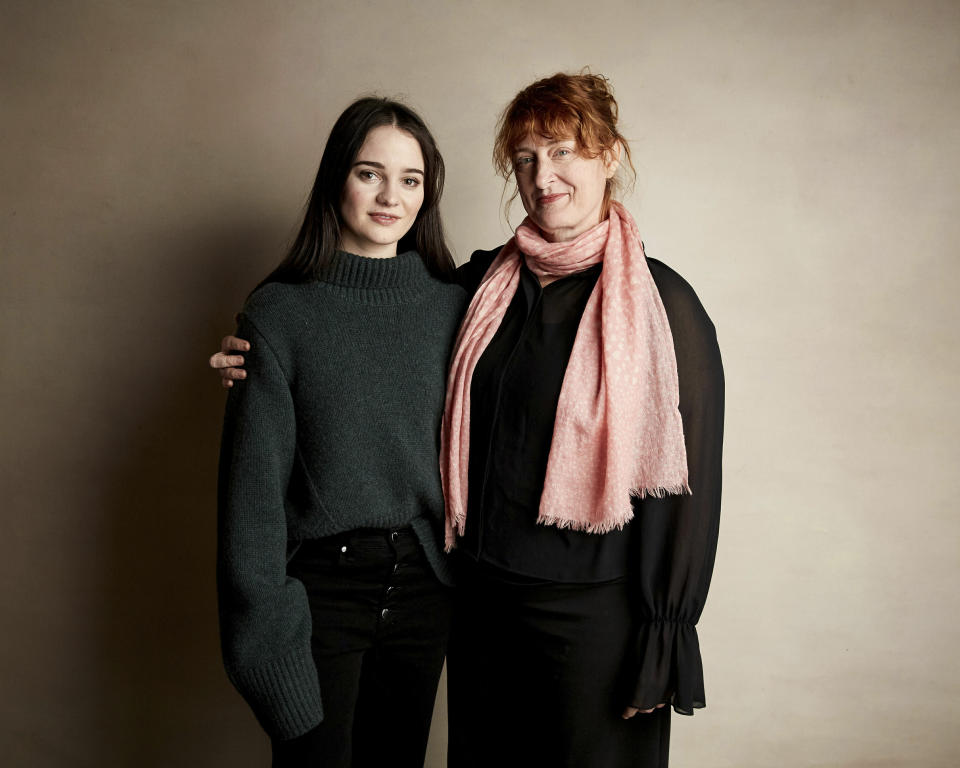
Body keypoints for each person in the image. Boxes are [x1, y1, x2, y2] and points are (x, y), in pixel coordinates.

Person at [213, 72, 723, 768]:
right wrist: (250, 360)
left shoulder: (660, 303)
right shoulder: (485, 286)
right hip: (481, 608)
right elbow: (359, 330)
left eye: (565, 151)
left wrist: (665, 637)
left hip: (593, 618)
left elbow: (686, 487)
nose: (545, 176)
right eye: (525, 158)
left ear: (610, 155)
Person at [215, 96, 466, 768]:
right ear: (336, 180)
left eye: (410, 180)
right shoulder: (279, 315)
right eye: (369, 173)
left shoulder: (461, 305)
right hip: (322, 590)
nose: (391, 196)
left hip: (426, 588)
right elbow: (251, 501)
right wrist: (264, 643)